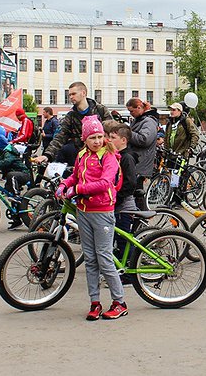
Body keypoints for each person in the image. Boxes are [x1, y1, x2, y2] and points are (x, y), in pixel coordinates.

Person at [57, 116, 127, 320]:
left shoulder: (109, 156)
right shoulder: (82, 155)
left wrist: (77, 189)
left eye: (100, 136)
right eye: (92, 137)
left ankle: (119, 302)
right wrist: (64, 185)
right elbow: (76, 176)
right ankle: (94, 302)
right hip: (83, 211)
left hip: (103, 210)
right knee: (90, 259)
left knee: (104, 258)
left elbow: (105, 182)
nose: (97, 141)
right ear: (84, 139)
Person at [34, 81, 111, 165]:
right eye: (69, 95)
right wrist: (47, 155)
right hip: (80, 157)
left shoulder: (101, 110)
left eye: (73, 94)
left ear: (83, 93)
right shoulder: (70, 116)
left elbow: (111, 132)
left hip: (102, 158)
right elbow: (60, 137)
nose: (71, 97)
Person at [107, 122, 138, 257]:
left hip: (123, 206)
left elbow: (130, 184)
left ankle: (129, 274)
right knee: (115, 239)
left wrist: (115, 198)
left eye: (113, 138)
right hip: (117, 204)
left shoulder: (127, 158)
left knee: (123, 241)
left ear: (123, 140)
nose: (109, 140)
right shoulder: (115, 156)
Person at [0, 134, 30, 230]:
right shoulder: (2, 153)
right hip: (14, 178)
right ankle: (17, 220)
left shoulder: (9, 151)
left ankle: (17, 196)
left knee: (11, 176)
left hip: (23, 174)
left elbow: (7, 161)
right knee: (10, 194)